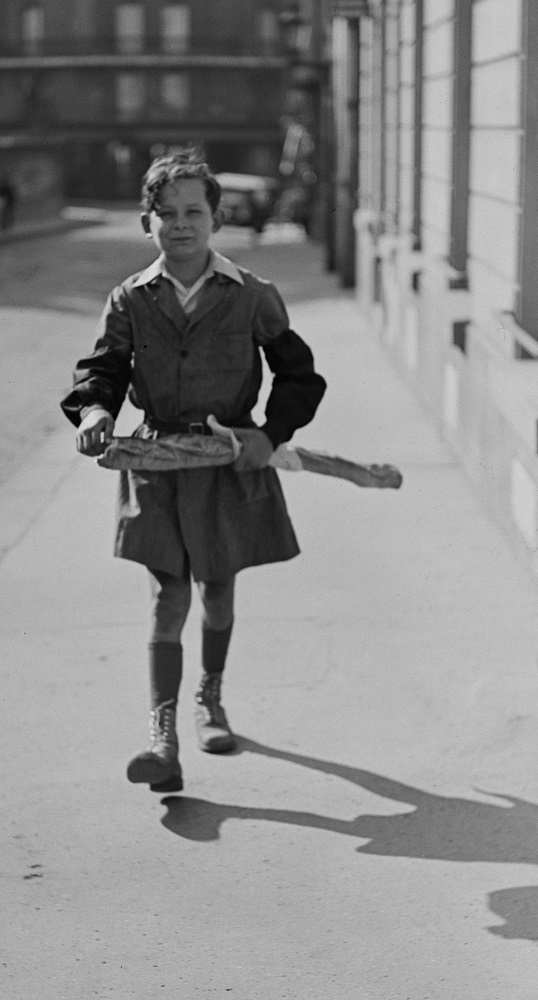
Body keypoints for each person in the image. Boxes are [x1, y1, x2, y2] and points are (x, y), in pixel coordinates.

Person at [60, 150, 326, 793]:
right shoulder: (129, 299)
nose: (181, 225)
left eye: (193, 212)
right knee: (169, 596)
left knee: (219, 588)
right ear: (147, 222)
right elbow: (103, 371)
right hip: (157, 464)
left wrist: (268, 434)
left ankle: (211, 697)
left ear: (215, 218)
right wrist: (95, 411)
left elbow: (299, 375)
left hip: (229, 463)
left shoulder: (252, 295)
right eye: (167, 214)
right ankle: (162, 737)